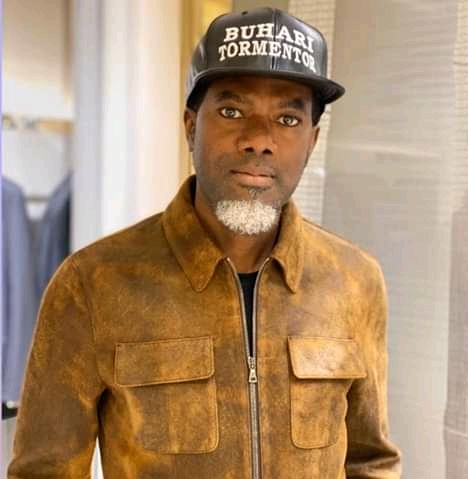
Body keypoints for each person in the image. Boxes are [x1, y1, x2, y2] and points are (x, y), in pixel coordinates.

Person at [8, 7, 401, 479]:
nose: (260, 139)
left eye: (287, 118)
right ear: (191, 126)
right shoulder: (92, 284)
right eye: (232, 112)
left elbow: (370, 461)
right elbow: (44, 470)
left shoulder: (354, 281)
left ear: (312, 141)